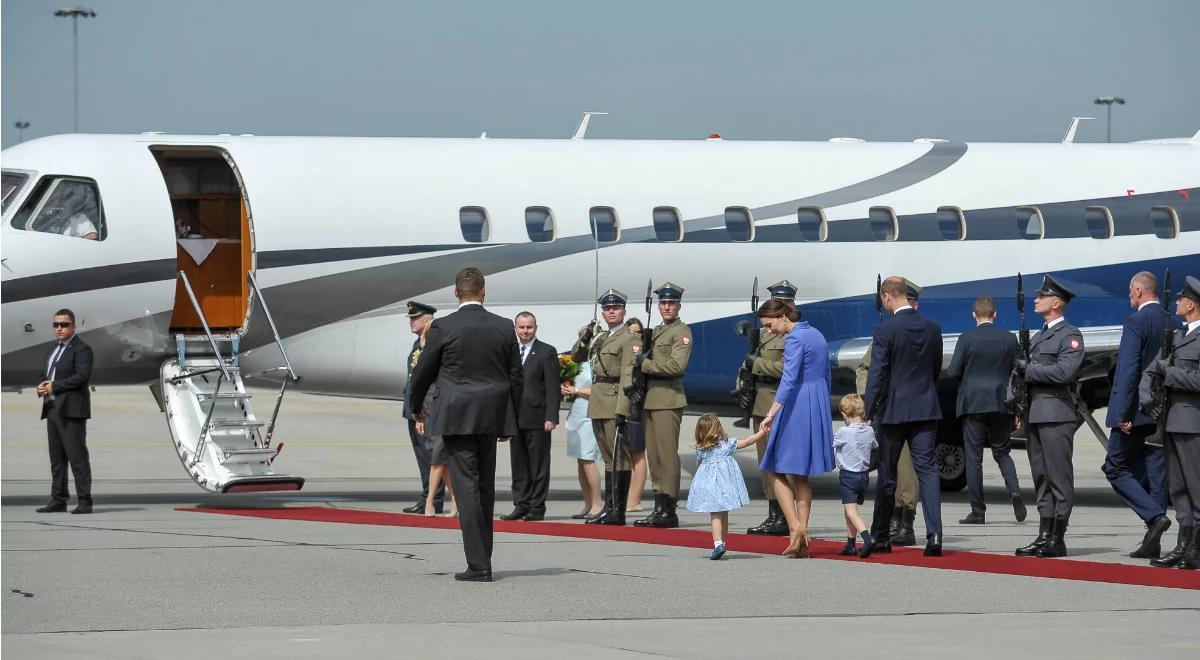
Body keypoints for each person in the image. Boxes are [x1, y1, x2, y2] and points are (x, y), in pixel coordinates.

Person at [409, 267, 523, 582]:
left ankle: (478, 565)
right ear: (483, 292)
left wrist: (417, 407)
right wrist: (510, 418)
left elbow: (423, 373)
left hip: (457, 416)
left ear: (455, 293)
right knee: (484, 487)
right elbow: (516, 376)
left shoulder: (444, 327)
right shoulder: (503, 327)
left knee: (467, 487)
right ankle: (482, 557)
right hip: (492, 415)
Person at [862, 276, 944, 558]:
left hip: (894, 410)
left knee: (887, 474)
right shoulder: (933, 328)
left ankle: (881, 535)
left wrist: (868, 410)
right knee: (928, 471)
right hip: (925, 407)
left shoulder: (885, 330)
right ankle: (934, 535)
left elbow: (877, 374)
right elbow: (935, 369)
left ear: (887, 297)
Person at [756, 298, 835, 558]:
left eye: (770, 324)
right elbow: (827, 375)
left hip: (797, 405)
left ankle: (795, 530)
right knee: (801, 475)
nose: (770, 330)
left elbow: (789, 380)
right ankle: (800, 534)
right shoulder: (816, 334)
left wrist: (770, 414)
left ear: (782, 317)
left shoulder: (793, 340)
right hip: (816, 402)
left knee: (773, 467)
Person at [1013, 274, 1085, 559]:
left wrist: (1027, 370)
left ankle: (1058, 536)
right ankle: (1044, 534)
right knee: (1041, 476)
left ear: (1056, 303)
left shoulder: (1070, 335)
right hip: (1035, 413)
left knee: (1059, 477)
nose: (1036, 299)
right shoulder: (1039, 336)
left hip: (1056, 413)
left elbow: (1065, 372)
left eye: (1042, 296)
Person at [1104, 272, 1170, 558]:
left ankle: (1154, 517)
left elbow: (1128, 371)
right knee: (1156, 473)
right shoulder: (1173, 321)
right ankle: (1152, 542)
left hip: (1134, 412)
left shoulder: (1135, 322)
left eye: (1131, 291)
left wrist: (1121, 413)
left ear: (1140, 291)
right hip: (1161, 411)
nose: (1129, 296)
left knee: (1114, 467)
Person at [946, 296, 1026, 525]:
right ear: (995, 314)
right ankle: (1015, 492)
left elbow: (952, 372)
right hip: (1000, 403)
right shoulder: (1009, 339)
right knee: (1002, 453)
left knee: (974, 459)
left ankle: (978, 512)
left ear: (974, 315)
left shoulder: (966, 338)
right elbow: (1019, 371)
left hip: (972, 404)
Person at [1139, 274, 1200, 570]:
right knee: (1177, 488)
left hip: (1193, 422)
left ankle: (1196, 548)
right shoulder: (1175, 337)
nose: (1176, 302)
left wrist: (1171, 373)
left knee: (1196, 486)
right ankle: (1183, 544)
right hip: (1170, 421)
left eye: (1180, 299)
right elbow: (1151, 371)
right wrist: (1146, 399)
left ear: (1191, 304)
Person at [856, 280, 923, 546]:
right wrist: (868, 401)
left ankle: (906, 522)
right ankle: (891, 521)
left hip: (909, 410)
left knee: (906, 470)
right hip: (887, 410)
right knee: (889, 469)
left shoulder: (921, 330)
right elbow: (866, 369)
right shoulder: (887, 332)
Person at [571, 289, 639, 525]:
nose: (611, 312)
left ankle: (617, 511)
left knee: (619, 457)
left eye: (615, 308)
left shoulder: (630, 338)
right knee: (609, 458)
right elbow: (577, 356)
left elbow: (628, 377)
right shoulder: (601, 337)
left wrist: (622, 409)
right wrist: (585, 335)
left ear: (623, 311)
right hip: (598, 401)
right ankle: (609, 508)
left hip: (613, 401)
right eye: (607, 309)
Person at [630, 282, 694, 529]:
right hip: (650, 399)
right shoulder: (655, 331)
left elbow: (676, 367)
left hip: (668, 399)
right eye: (663, 303)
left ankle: (669, 508)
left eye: (671, 303)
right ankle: (659, 505)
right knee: (654, 457)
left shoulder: (682, 332)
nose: (667, 307)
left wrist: (644, 365)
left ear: (678, 305)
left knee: (667, 456)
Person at [745, 280, 795, 537]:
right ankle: (774, 514)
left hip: (779, 402)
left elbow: (789, 371)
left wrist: (758, 364)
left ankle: (785, 516)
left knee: (781, 461)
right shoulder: (764, 333)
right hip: (761, 400)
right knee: (766, 462)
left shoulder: (793, 335)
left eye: (784, 303)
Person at [501, 312, 560, 522]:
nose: (525, 331)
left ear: (536, 328)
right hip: (515, 419)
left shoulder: (546, 352)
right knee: (518, 465)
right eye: (522, 327)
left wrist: (551, 416)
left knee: (538, 465)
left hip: (538, 418)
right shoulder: (510, 351)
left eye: (529, 327)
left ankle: (536, 507)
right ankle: (520, 504)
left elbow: (553, 388)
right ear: (516, 328)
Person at [35, 309, 94, 514]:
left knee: (77, 458)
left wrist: (54, 387)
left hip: (71, 411)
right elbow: (46, 374)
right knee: (57, 459)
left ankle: (85, 501)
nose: (59, 328)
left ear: (73, 326)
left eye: (64, 324)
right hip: (52, 409)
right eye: (56, 325)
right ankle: (58, 499)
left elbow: (81, 377)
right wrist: (42, 387)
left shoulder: (82, 349)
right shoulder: (52, 349)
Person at [686, 414, 764, 560]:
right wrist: (761, 433)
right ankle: (722, 542)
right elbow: (747, 442)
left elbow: (699, 468)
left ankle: (718, 544)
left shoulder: (702, 450)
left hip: (710, 488)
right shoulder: (727, 444)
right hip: (725, 487)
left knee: (715, 515)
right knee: (724, 514)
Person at [402, 301, 444, 514]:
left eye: (414, 318)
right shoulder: (418, 343)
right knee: (422, 456)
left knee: (433, 455)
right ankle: (428, 496)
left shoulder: (431, 343)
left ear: (427, 319)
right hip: (414, 407)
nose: (411, 322)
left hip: (426, 409)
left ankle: (433, 499)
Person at [834, 394, 877, 556]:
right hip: (863, 477)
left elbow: (831, 443)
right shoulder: (870, 430)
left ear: (844, 414)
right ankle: (850, 544)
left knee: (852, 512)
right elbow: (874, 445)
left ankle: (867, 538)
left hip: (848, 477)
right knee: (850, 510)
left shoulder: (843, 432)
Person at [562, 355, 603, 520]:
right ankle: (588, 502)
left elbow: (601, 391)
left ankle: (597, 503)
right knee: (580, 459)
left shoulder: (598, 363)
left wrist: (576, 390)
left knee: (588, 458)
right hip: (577, 413)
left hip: (589, 413)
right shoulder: (577, 364)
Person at [623, 317, 648, 513]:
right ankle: (629, 497)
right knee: (627, 454)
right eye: (631, 332)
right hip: (625, 406)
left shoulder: (644, 354)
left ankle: (635, 499)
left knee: (637, 454)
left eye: (638, 332)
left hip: (637, 406)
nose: (635, 336)